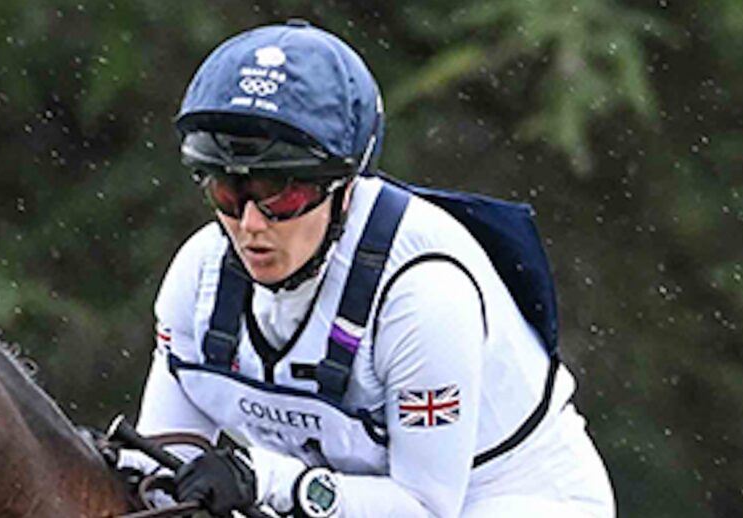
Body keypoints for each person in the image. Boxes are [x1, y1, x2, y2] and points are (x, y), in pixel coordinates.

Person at [120, 19, 615, 518]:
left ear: (345, 187)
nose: (250, 225)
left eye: (281, 195)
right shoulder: (198, 276)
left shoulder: (423, 294)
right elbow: (162, 469)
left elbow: (424, 508)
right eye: (226, 191)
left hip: (510, 501)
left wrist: (264, 478)